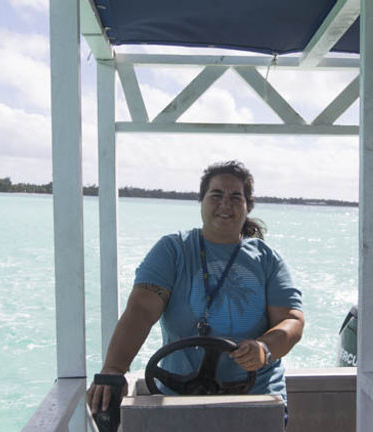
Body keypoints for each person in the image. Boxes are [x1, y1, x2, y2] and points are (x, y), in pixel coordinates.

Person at [87, 160, 305, 415]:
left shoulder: (267, 259)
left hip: (257, 396)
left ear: (248, 207)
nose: (226, 203)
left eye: (236, 196)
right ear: (201, 201)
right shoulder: (173, 251)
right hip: (181, 398)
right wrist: (114, 369)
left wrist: (264, 349)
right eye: (216, 195)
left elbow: (292, 320)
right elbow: (141, 311)